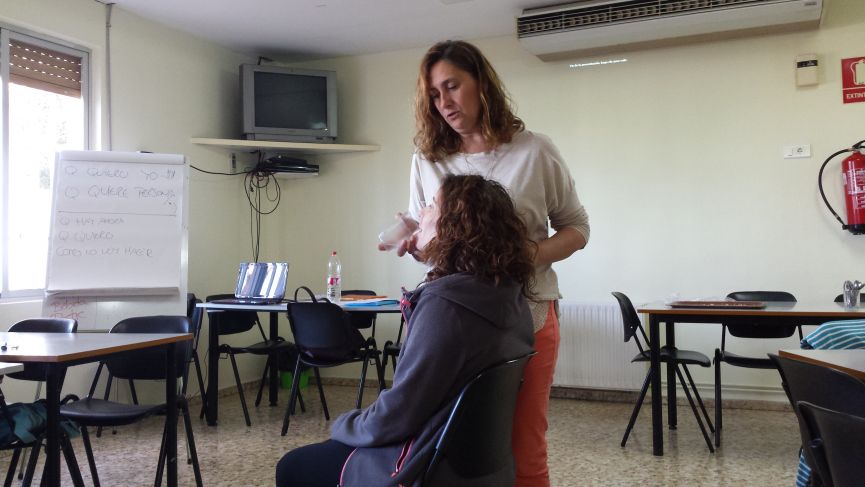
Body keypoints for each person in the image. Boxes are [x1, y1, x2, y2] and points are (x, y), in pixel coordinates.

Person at [392, 40, 591, 487]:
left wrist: (529, 256)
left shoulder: (535, 151)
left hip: (529, 315)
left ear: (481, 83)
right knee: (450, 446)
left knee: (525, 447)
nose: (443, 103)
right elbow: (437, 245)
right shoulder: (426, 161)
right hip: (453, 323)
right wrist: (418, 246)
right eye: (433, 95)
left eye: (451, 87)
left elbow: (577, 228)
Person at [276, 174, 536, 487]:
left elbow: (399, 414)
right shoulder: (509, 297)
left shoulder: (446, 305)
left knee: (293, 466)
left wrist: (346, 423)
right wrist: (435, 254)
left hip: (425, 463)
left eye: (431, 207)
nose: (421, 214)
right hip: (477, 468)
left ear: (454, 225)